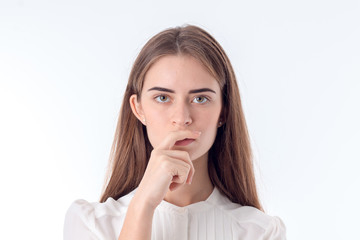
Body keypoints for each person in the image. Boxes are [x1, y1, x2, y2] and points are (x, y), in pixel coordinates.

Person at [63, 24, 286, 240]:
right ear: (138, 109)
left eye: (200, 99)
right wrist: (143, 204)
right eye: (163, 98)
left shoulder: (261, 232)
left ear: (223, 112)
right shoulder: (91, 225)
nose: (182, 118)